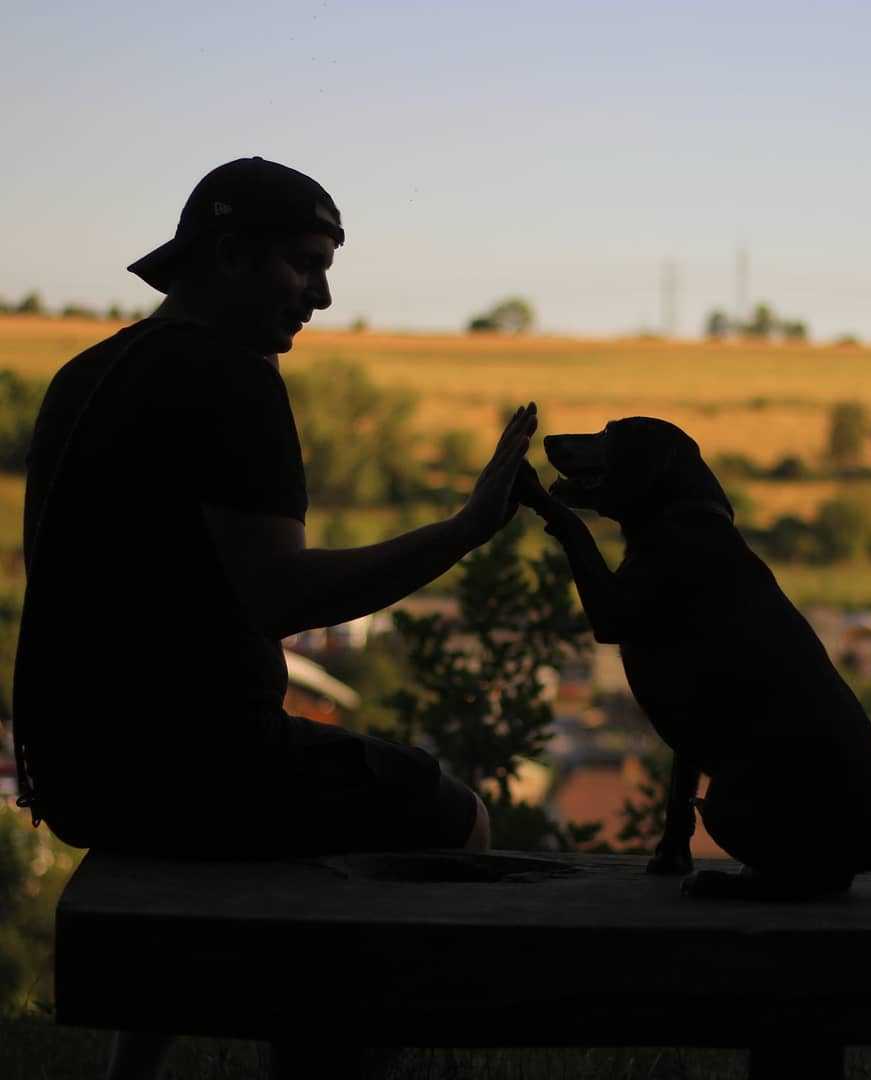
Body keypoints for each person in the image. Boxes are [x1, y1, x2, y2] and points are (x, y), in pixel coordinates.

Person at [12, 156, 536, 1077]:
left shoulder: (85, 374)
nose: (323, 297)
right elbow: (285, 598)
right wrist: (464, 531)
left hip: (76, 766)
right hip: (193, 768)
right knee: (453, 822)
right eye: (304, 265)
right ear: (225, 256)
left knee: (289, 827)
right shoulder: (232, 380)